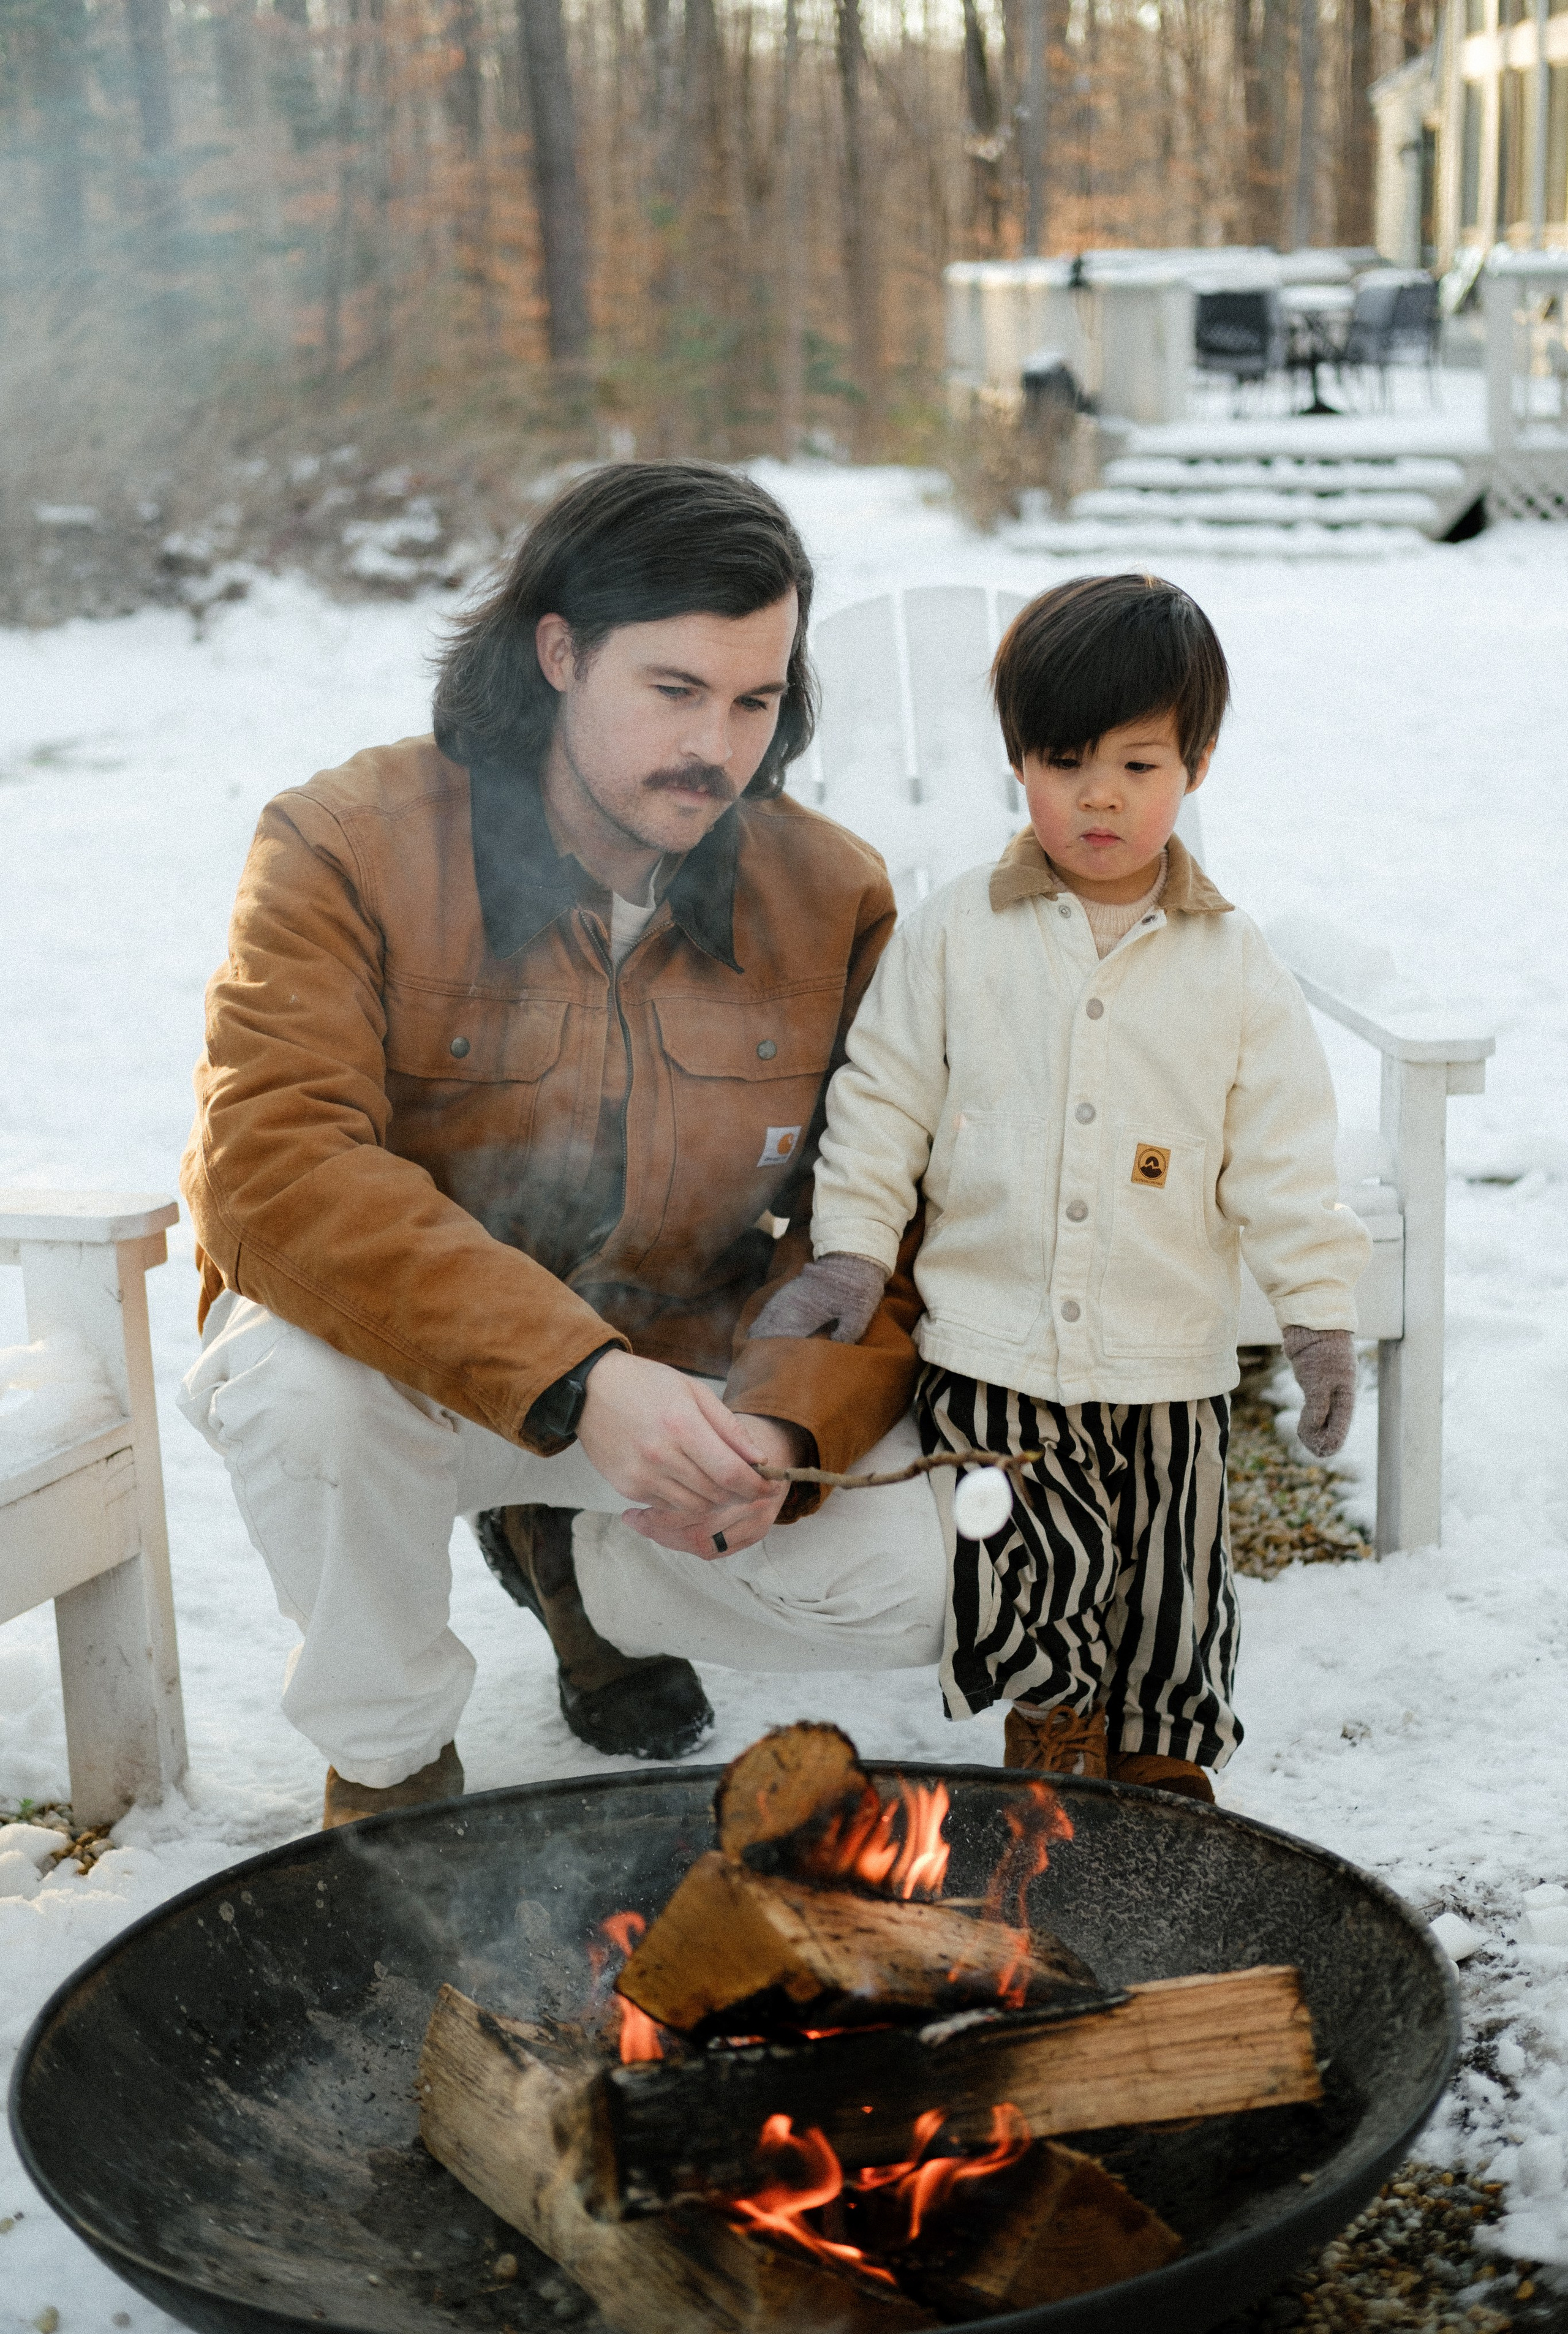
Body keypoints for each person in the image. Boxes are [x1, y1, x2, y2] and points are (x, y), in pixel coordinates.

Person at [177, 461, 938, 1827]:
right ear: (558, 654)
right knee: (302, 1401)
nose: (719, 744)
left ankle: (580, 1577)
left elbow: (873, 1217)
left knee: (911, 1579)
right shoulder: (342, 844)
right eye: (674, 690)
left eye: (755, 700)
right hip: (410, 1377)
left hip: (683, 1363)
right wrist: (576, 1377)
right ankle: (393, 1758)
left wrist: (780, 1418)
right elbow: (273, 1165)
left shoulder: (829, 895)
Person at [750, 574, 1371, 1801]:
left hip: (1170, 1358)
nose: (1099, 796)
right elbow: (879, 1106)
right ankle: (1055, 1748)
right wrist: (851, 1252)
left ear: (1192, 766)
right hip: (993, 1352)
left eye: (1137, 766)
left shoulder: (1233, 965)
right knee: (1030, 1561)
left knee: (1171, 1578)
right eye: (1064, 759)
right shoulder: (951, 936)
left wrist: (1314, 1313)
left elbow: (1285, 1159)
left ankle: (1162, 1773)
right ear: (1016, 763)